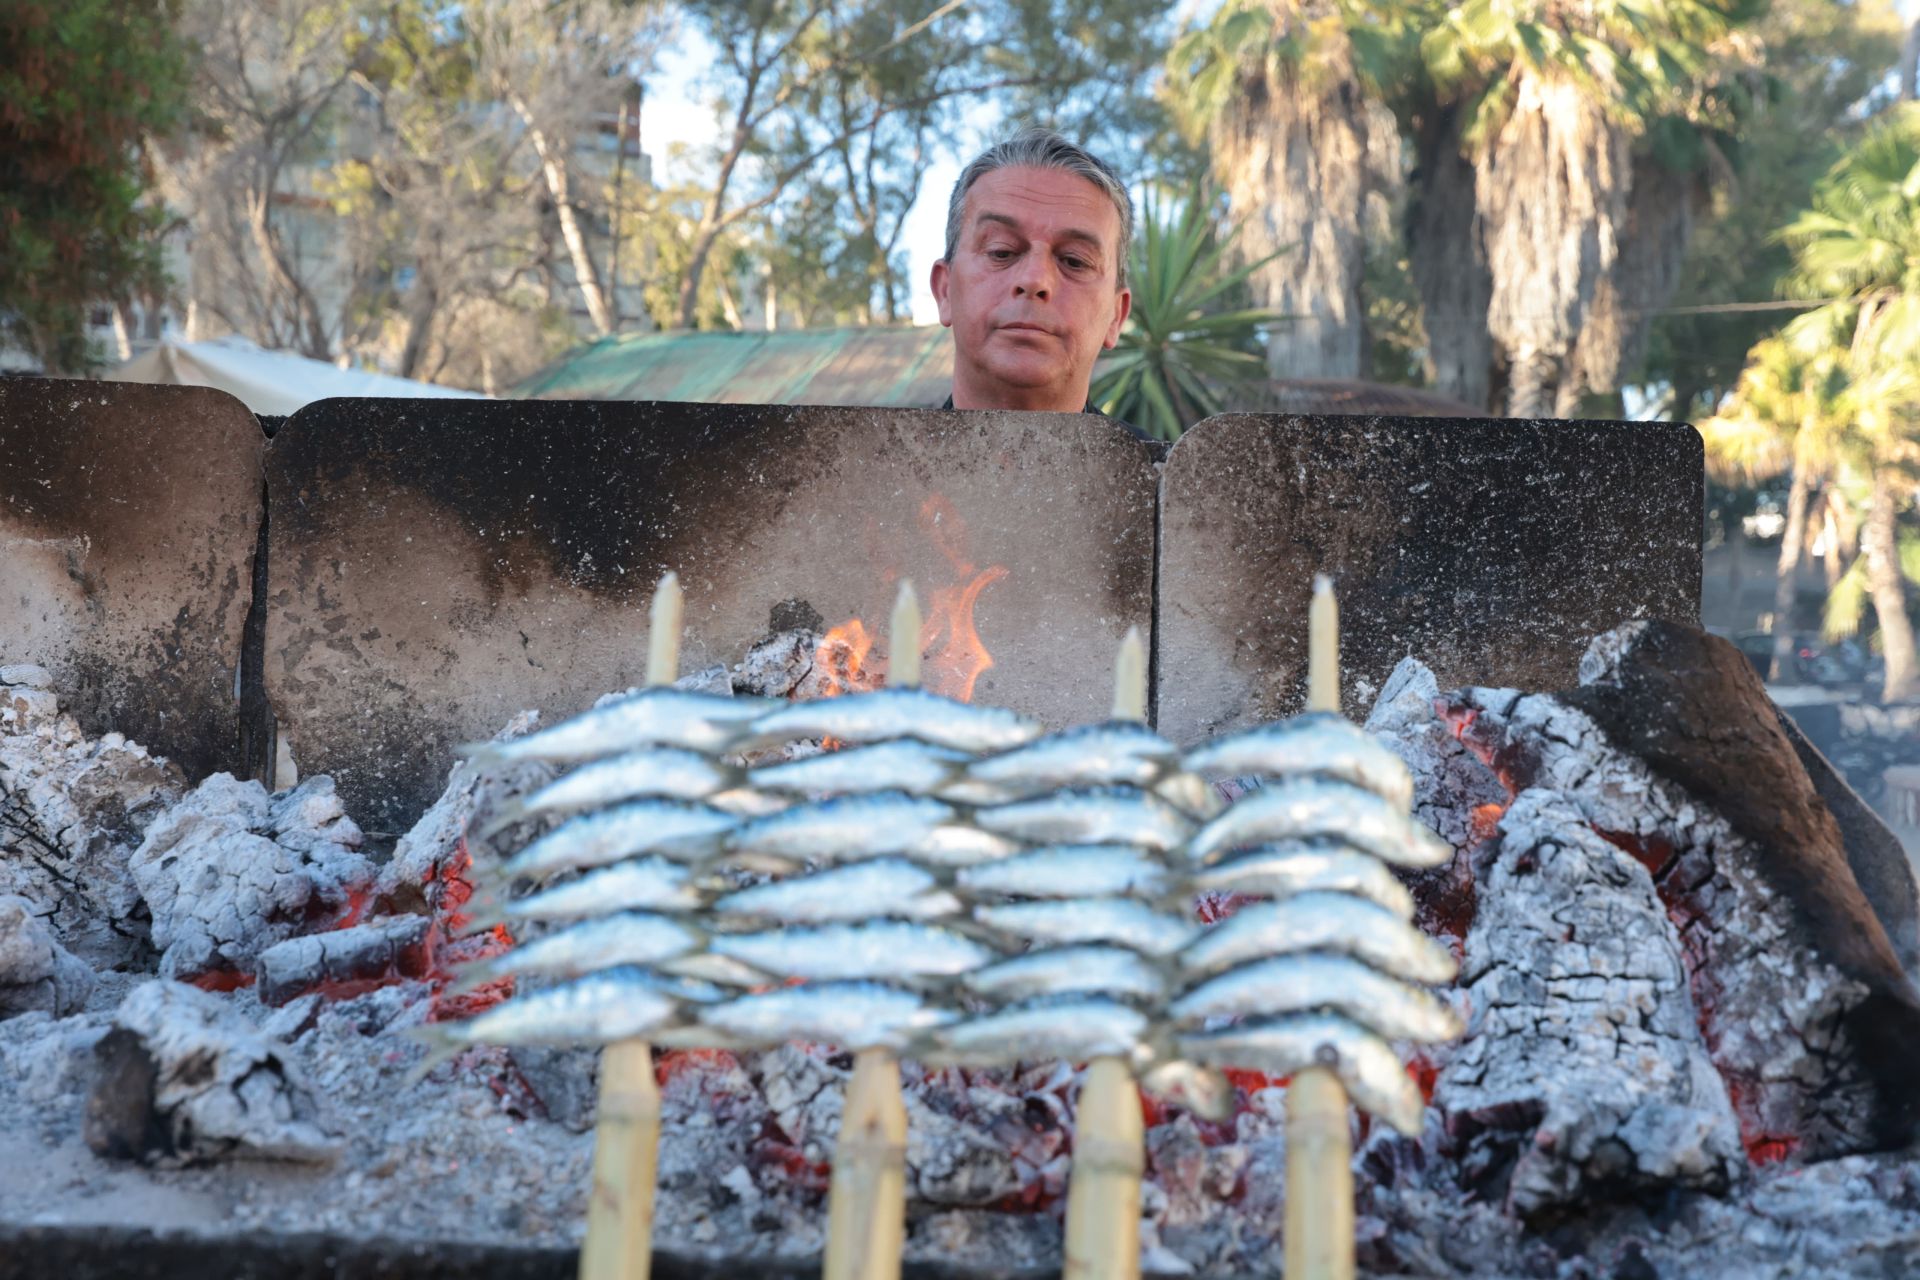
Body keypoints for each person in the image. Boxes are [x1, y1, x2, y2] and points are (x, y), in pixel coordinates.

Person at [932, 127, 1147, 440]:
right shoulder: (858, 475)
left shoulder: (1167, 482)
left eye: (1074, 261)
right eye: (1001, 251)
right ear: (944, 290)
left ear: (1116, 316)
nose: (1034, 280)